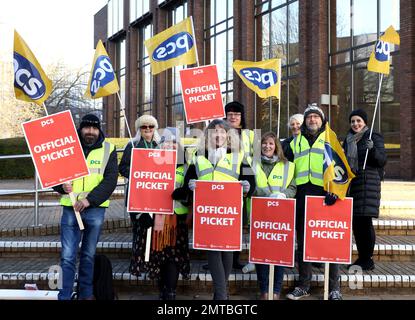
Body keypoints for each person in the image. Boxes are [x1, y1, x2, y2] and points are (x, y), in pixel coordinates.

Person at [174, 119, 255, 300]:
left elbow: (252, 181)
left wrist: (248, 186)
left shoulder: (240, 155)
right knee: (212, 250)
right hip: (207, 213)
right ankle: (221, 295)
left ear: (228, 135)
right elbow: (189, 180)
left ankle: (220, 294)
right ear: (208, 135)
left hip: (230, 213)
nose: (218, 135)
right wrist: (190, 185)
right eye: (214, 132)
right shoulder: (198, 155)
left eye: (222, 132)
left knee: (227, 251)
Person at [52, 114, 118, 300]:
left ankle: (86, 294)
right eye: (87, 128)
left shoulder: (109, 149)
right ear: (80, 129)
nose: (91, 131)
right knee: (67, 256)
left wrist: (89, 200)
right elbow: (53, 174)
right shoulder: (67, 147)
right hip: (70, 208)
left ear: (99, 129)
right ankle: (64, 295)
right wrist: (60, 187)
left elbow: (111, 180)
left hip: (94, 209)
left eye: (94, 128)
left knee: (88, 255)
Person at [285, 103, 343, 301]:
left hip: (325, 194)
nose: (312, 120)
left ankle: (335, 287)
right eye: (309, 117)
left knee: (330, 241)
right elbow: (285, 167)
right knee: (303, 242)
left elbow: (341, 166)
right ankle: (304, 285)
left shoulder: (330, 138)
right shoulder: (295, 141)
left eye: (315, 117)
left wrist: (335, 190)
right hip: (301, 194)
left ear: (322, 120)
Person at [146, 127, 191, 300]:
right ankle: (161, 289)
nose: (169, 146)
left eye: (173, 143)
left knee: (173, 256)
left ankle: (170, 291)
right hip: (156, 217)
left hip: (176, 218)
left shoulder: (186, 166)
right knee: (158, 254)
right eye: (166, 142)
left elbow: (190, 191)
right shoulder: (152, 163)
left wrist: (184, 192)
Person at [253, 132, 296, 300]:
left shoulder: (288, 165)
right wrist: (266, 195)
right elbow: (250, 185)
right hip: (260, 214)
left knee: (279, 254)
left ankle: (276, 291)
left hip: (281, 215)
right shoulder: (252, 163)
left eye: (271, 143)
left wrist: (283, 195)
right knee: (260, 254)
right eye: (264, 143)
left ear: (276, 146)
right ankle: (264, 290)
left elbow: (293, 187)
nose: (267, 146)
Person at [343, 109, 387, 271]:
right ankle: (362, 258)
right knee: (357, 223)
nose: (355, 124)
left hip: (368, 184)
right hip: (354, 184)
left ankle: (367, 259)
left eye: (358, 121)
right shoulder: (348, 139)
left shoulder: (373, 137)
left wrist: (373, 149)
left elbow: (382, 160)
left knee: (365, 222)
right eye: (353, 121)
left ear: (365, 122)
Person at [119, 115, 160, 279]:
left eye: (151, 126)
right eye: (144, 127)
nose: (148, 130)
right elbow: (122, 168)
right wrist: (138, 172)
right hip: (138, 194)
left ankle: (151, 263)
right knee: (139, 230)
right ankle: (137, 264)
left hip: (155, 194)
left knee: (153, 231)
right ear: (139, 129)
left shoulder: (160, 146)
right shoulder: (133, 145)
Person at [225, 101, 255, 270]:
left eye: (236, 114)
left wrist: (250, 185)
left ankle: (234, 258)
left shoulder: (251, 135)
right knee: (220, 222)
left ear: (241, 116)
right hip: (223, 183)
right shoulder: (218, 133)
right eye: (230, 114)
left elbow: (255, 161)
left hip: (242, 184)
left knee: (236, 225)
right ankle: (216, 255)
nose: (233, 117)